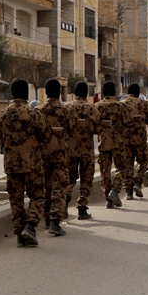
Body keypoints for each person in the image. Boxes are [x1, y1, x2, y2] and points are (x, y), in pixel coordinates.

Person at [0, 79, 50, 247]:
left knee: (16, 198)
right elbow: (45, 136)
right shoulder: (34, 114)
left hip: (11, 164)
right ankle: (30, 225)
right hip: (32, 163)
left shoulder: (3, 115)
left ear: (12, 93)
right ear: (26, 95)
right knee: (37, 195)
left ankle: (20, 232)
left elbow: (1, 136)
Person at [35, 79, 73, 236]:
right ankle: (55, 222)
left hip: (42, 156)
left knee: (45, 186)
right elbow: (71, 130)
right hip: (60, 155)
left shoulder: (38, 111)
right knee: (59, 187)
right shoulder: (66, 112)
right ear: (59, 92)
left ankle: (45, 217)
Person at [66, 82, 97, 220]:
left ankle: (64, 203)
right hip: (86, 151)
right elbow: (99, 129)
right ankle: (82, 209)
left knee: (68, 179)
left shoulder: (67, 108)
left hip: (70, 150)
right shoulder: (91, 109)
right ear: (86, 93)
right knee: (86, 179)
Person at [96, 81, 129, 207]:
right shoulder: (121, 107)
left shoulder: (97, 106)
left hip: (103, 143)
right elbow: (128, 123)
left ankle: (107, 197)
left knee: (105, 171)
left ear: (103, 92)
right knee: (121, 168)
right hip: (118, 143)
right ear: (115, 92)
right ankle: (115, 190)